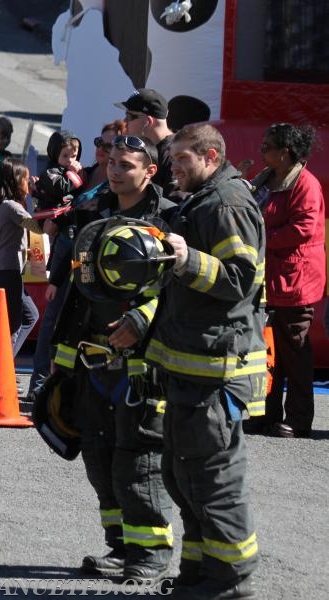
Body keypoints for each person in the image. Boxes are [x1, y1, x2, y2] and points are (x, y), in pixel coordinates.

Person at [143, 123, 267, 599]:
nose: (173, 166)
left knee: (214, 481)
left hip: (215, 373)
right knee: (184, 476)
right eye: (172, 157)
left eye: (182, 159)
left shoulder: (227, 205)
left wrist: (187, 258)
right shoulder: (202, 200)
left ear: (210, 158)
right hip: (191, 368)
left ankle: (230, 581)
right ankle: (198, 572)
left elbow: (240, 280)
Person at [52, 135, 176, 583]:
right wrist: (61, 358)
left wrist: (140, 322)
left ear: (150, 172)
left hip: (145, 363)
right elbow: (77, 294)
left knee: (138, 456)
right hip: (93, 359)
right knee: (97, 454)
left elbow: (174, 292)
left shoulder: (169, 222)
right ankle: (122, 546)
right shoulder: (95, 212)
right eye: (112, 162)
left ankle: (150, 554)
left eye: (126, 164)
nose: (114, 170)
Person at [27, 120, 126, 396]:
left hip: (100, 262)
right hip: (69, 253)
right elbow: (55, 202)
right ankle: (40, 383)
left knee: (86, 319)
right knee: (53, 316)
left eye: (110, 145)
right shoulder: (84, 174)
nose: (102, 150)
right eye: (99, 143)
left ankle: (75, 386)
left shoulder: (119, 183)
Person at [251, 123, 326, 438]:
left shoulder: (305, 184)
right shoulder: (265, 179)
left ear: (285, 152)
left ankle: (298, 420)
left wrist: (261, 239)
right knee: (270, 353)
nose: (261, 151)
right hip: (269, 282)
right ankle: (266, 416)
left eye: (267, 147)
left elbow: (304, 228)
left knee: (294, 354)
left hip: (295, 283)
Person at [0, 158, 42, 357]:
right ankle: (1, 367)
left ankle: (4, 364)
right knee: (14, 323)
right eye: (26, 180)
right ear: (16, 182)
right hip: (10, 270)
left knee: (30, 315)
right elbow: (36, 227)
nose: (28, 184)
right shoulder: (13, 208)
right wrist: (39, 197)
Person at [114, 88, 176, 198]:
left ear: (148, 121)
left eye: (129, 117)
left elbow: (174, 204)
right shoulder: (145, 148)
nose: (124, 122)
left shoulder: (175, 155)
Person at [32, 130, 86, 222]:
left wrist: (82, 175)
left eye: (73, 156)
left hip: (65, 215)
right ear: (55, 154)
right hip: (48, 218)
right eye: (65, 156)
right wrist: (72, 173)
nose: (70, 160)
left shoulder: (72, 170)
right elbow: (61, 187)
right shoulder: (49, 173)